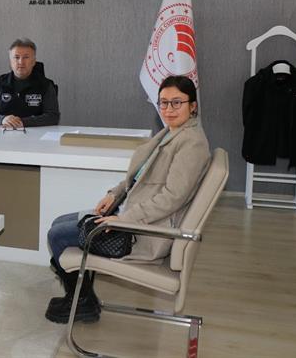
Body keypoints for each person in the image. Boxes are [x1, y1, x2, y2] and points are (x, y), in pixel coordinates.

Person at [44, 75, 210, 324]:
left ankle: (82, 301)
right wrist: (114, 194)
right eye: (163, 103)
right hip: (133, 213)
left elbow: (172, 198)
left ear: (193, 105)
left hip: (145, 230)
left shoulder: (191, 143)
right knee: (60, 221)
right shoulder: (173, 132)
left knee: (57, 235)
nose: (168, 109)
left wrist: (123, 219)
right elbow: (141, 176)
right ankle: (81, 297)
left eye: (177, 102)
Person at [0, 38, 60, 128]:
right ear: (10, 61)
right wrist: (2, 119)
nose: (21, 62)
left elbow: (53, 116)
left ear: (33, 61)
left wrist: (22, 122)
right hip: (4, 132)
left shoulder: (46, 85)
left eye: (26, 57)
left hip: (35, 134)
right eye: (16, 57)